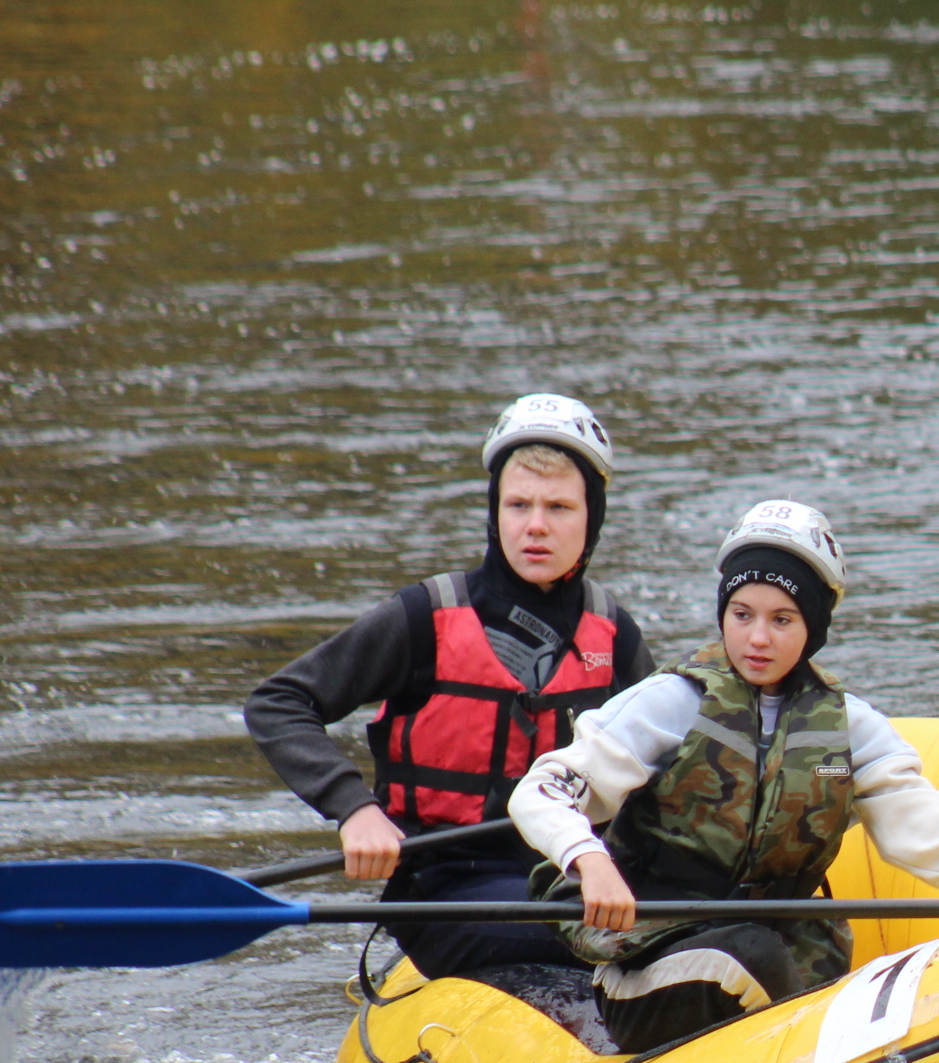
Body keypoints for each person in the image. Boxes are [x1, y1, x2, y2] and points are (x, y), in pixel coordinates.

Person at [509, 501, 939, 1054]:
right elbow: (542, 791)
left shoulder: (849, 726)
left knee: (769, 951)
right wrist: (589, 858)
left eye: (782, 620)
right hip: (650, 959)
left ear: (813, 627)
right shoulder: (671, 703)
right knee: (754, 951)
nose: (758, 638)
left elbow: (925, 823)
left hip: (783, 949)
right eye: (742, 615)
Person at [243, 394, 654, 979]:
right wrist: (352, 808)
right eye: (518, 505)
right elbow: (279, 703)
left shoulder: (613, 634)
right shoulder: (423, 619)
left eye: (559, 507)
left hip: (567, 874)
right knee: (572, 937)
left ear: (593, 518)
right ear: (494, 512)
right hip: (441, 885)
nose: (535, 525)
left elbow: (666, 767)